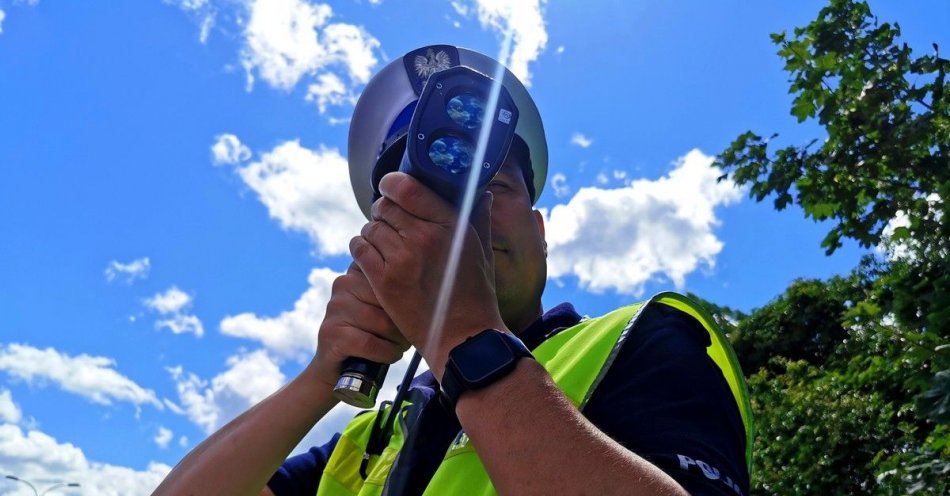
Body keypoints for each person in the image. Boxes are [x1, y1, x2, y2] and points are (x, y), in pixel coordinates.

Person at [155, 45, 752, 496]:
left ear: (540, 235)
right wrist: (322, 377)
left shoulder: (638, 342)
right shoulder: (375, 438)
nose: (467, 218)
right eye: (431, 201)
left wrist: (466, 337)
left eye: (492, 187)